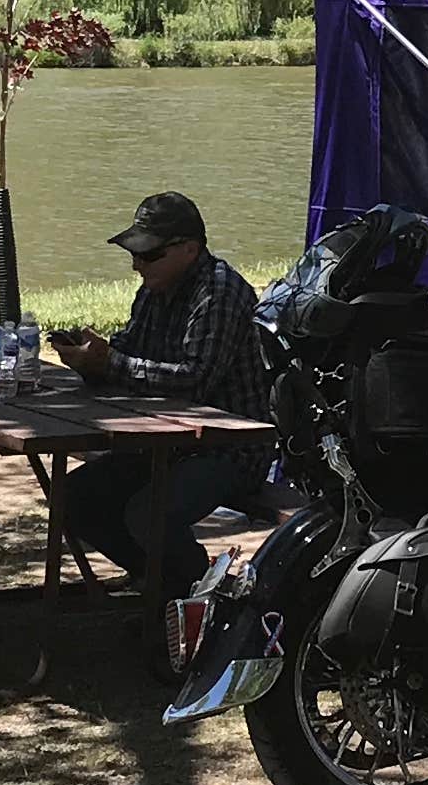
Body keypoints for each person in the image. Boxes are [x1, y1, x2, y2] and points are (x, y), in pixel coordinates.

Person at [49, 191, 271, 594]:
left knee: (147, 514)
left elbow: (194, 382)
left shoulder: (219, 293)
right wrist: (91, 358)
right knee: (73, 496)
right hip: (166, 442)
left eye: (148, 255)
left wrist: (110, 363)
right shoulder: (154, 289)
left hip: (229, 448)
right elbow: (132, 352)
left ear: (189, 249)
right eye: (135, 253)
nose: (136, 264)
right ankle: (165, 584)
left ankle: (196, 593)